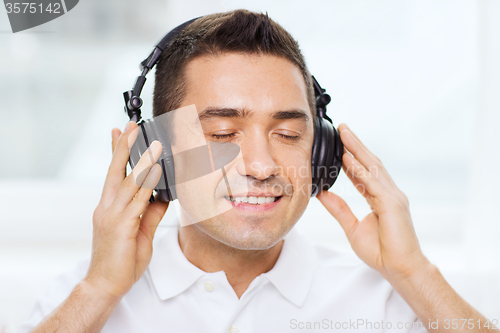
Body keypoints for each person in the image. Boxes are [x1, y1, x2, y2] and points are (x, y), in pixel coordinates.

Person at [18, 9, 495, 333]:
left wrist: (415, 273)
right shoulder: (85, 296)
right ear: (158, 153)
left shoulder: (392, 301)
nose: (263, 166)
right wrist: (100, 290)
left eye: (288, 136)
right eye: (223, 133)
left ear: (320, 152)